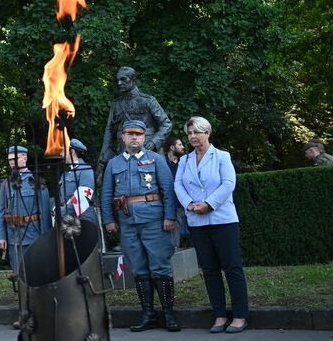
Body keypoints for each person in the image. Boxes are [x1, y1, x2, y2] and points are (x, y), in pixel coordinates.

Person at [100, 120, 179, 332]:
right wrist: (108, 220)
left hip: (155, 222)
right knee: (138, 269)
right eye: (130, 134)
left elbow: (168, 190)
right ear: (123, 137)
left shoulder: (156, 159)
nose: (134, 137)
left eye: (138, 134)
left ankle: (169, 314)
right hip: (127, 224)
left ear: (144, 137)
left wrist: (170, 217)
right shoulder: (114, 164)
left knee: (160, 267)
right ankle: (148, 314)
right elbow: (106, 194)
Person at [174, 116, 249, 334]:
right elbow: (178, 184)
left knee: (232, 268)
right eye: (189, 133)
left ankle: (240, 316)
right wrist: (189, 204)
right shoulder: (185, 160)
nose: (192, 136)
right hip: (197, 222)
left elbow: (228, 184)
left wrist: (208, 204)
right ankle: (219, 315)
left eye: (196, 132)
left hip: (223, 220)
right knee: (209, 270)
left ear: (207, 133)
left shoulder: (222, 156)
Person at [97, 67, 172, 175]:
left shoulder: (148, 101)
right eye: (118, 80)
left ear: (133, 80)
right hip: (124, 153)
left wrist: (154, 142)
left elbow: (166, 124)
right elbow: (109, 129)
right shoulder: (116, 104)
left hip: (148, 151)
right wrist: (104, 153)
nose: (119, 83)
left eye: (123, 79)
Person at [0, 145, 51, 275]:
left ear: (25, 158)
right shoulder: (6, 184)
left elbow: (45, 213)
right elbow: (1, 212)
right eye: (10, 159)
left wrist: (45, 238)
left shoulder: (37, 182)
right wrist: (1, 236)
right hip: (13, 237)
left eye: (15, 159)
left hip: (33, 235)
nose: (12, 162)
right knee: (18, 273)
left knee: (36, 272)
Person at [56, 138, 97, 223]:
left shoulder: (85, 169)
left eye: (63, 151)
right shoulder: (65, 173)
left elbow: (83, 197)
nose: (60, 154)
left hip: (84, 219)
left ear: (72, 152)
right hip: (68, 220)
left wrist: (62, 213)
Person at [163, 136, 189, 248]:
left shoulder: (185, 163)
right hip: (169, 205)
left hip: (184, 204)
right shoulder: (162, 163)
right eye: (180, 145)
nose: (183, 147)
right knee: (173, 239)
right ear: (172, 147)